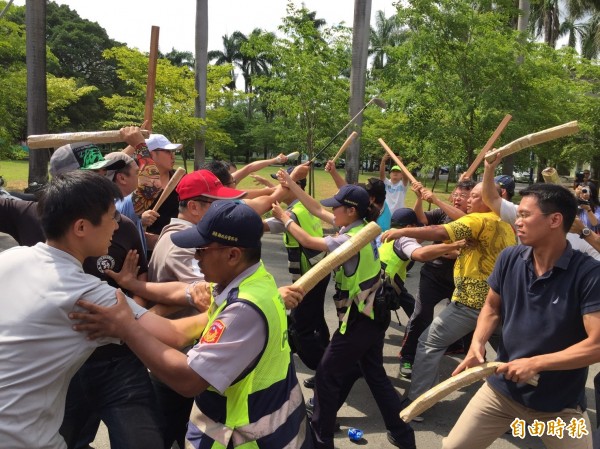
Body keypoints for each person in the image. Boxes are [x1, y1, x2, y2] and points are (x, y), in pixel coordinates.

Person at [71, 201, 313, 449]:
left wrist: (126, 328)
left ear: (232, 254)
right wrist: (131, 292)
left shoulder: (243, 310)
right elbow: (178, 329)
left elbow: (189, 380)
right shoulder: (251, 279)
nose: (196, 257)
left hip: (248, 439)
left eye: (201, 250)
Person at [0, 171, 199, 449]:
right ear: (81, 227)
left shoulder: (11, 258)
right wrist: (227, 303)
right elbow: (175, 335)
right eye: (111, 217)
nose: (117, 226)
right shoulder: (86, 293)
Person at [444, 183, 600, 449]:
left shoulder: (588, 274)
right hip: (501, 391)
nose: (518, 221)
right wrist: (477, 343)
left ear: (555, 220)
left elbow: (596, 345)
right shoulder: (510, 258)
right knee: (453, 447)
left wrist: (535, 363)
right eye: (518, 214)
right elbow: (492, 308)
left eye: (526, 215)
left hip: (558, 404)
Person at [275, 184, 416, 449]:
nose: (330, 210)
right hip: (375, 313)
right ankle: (402, 433)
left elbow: (309, 242)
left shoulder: (349, 240)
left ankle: (320, 439)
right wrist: (292, 184)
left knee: (327, 375)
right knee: (373, 373)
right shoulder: (360, 228)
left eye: (336, 206)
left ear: (351, 211)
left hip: (360, 318)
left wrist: (285, 219)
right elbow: (316, 208)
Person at [381, 183, 515, 419]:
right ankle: (521, 401)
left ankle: (419, 403)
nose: (469, 200)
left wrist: (404, 231)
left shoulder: (478, 220)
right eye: (467, 195)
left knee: (428, 343)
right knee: (510, 353)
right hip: (498, 303)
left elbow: (440, 231)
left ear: (492, 198)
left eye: (474, 196)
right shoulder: (506, 223)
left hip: (471, 303)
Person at [146, 169, 245, 449]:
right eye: (217, 204)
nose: (225, 210)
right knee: (168, 433)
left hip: (180, 355)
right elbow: (206, 295)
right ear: (194, 207)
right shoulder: (185, 245)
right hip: (178, 361)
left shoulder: (180, 235)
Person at [397, 180, 475, 379]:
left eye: (463, 196)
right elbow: (421, 219)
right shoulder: (443, 213)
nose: (457, 198)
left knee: (465, 320)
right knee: (421, 314)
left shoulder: (476, 218)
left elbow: (466, 223)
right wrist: (419, 199)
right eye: (456, 194)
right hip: (433, 274)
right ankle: (408, 356)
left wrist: (437, 200)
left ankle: (465, 357)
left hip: (460, 278)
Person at [266, 166, 330, 387]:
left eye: (280, 184)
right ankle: (329, 355)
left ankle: (326, 371)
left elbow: (261, 226)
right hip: (321, 270)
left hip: (308, 278)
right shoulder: (305, 206)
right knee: (316, 319)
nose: (276, 188)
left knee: (299, 326)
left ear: (295, 187)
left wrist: (280, 217)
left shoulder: (290, 215)